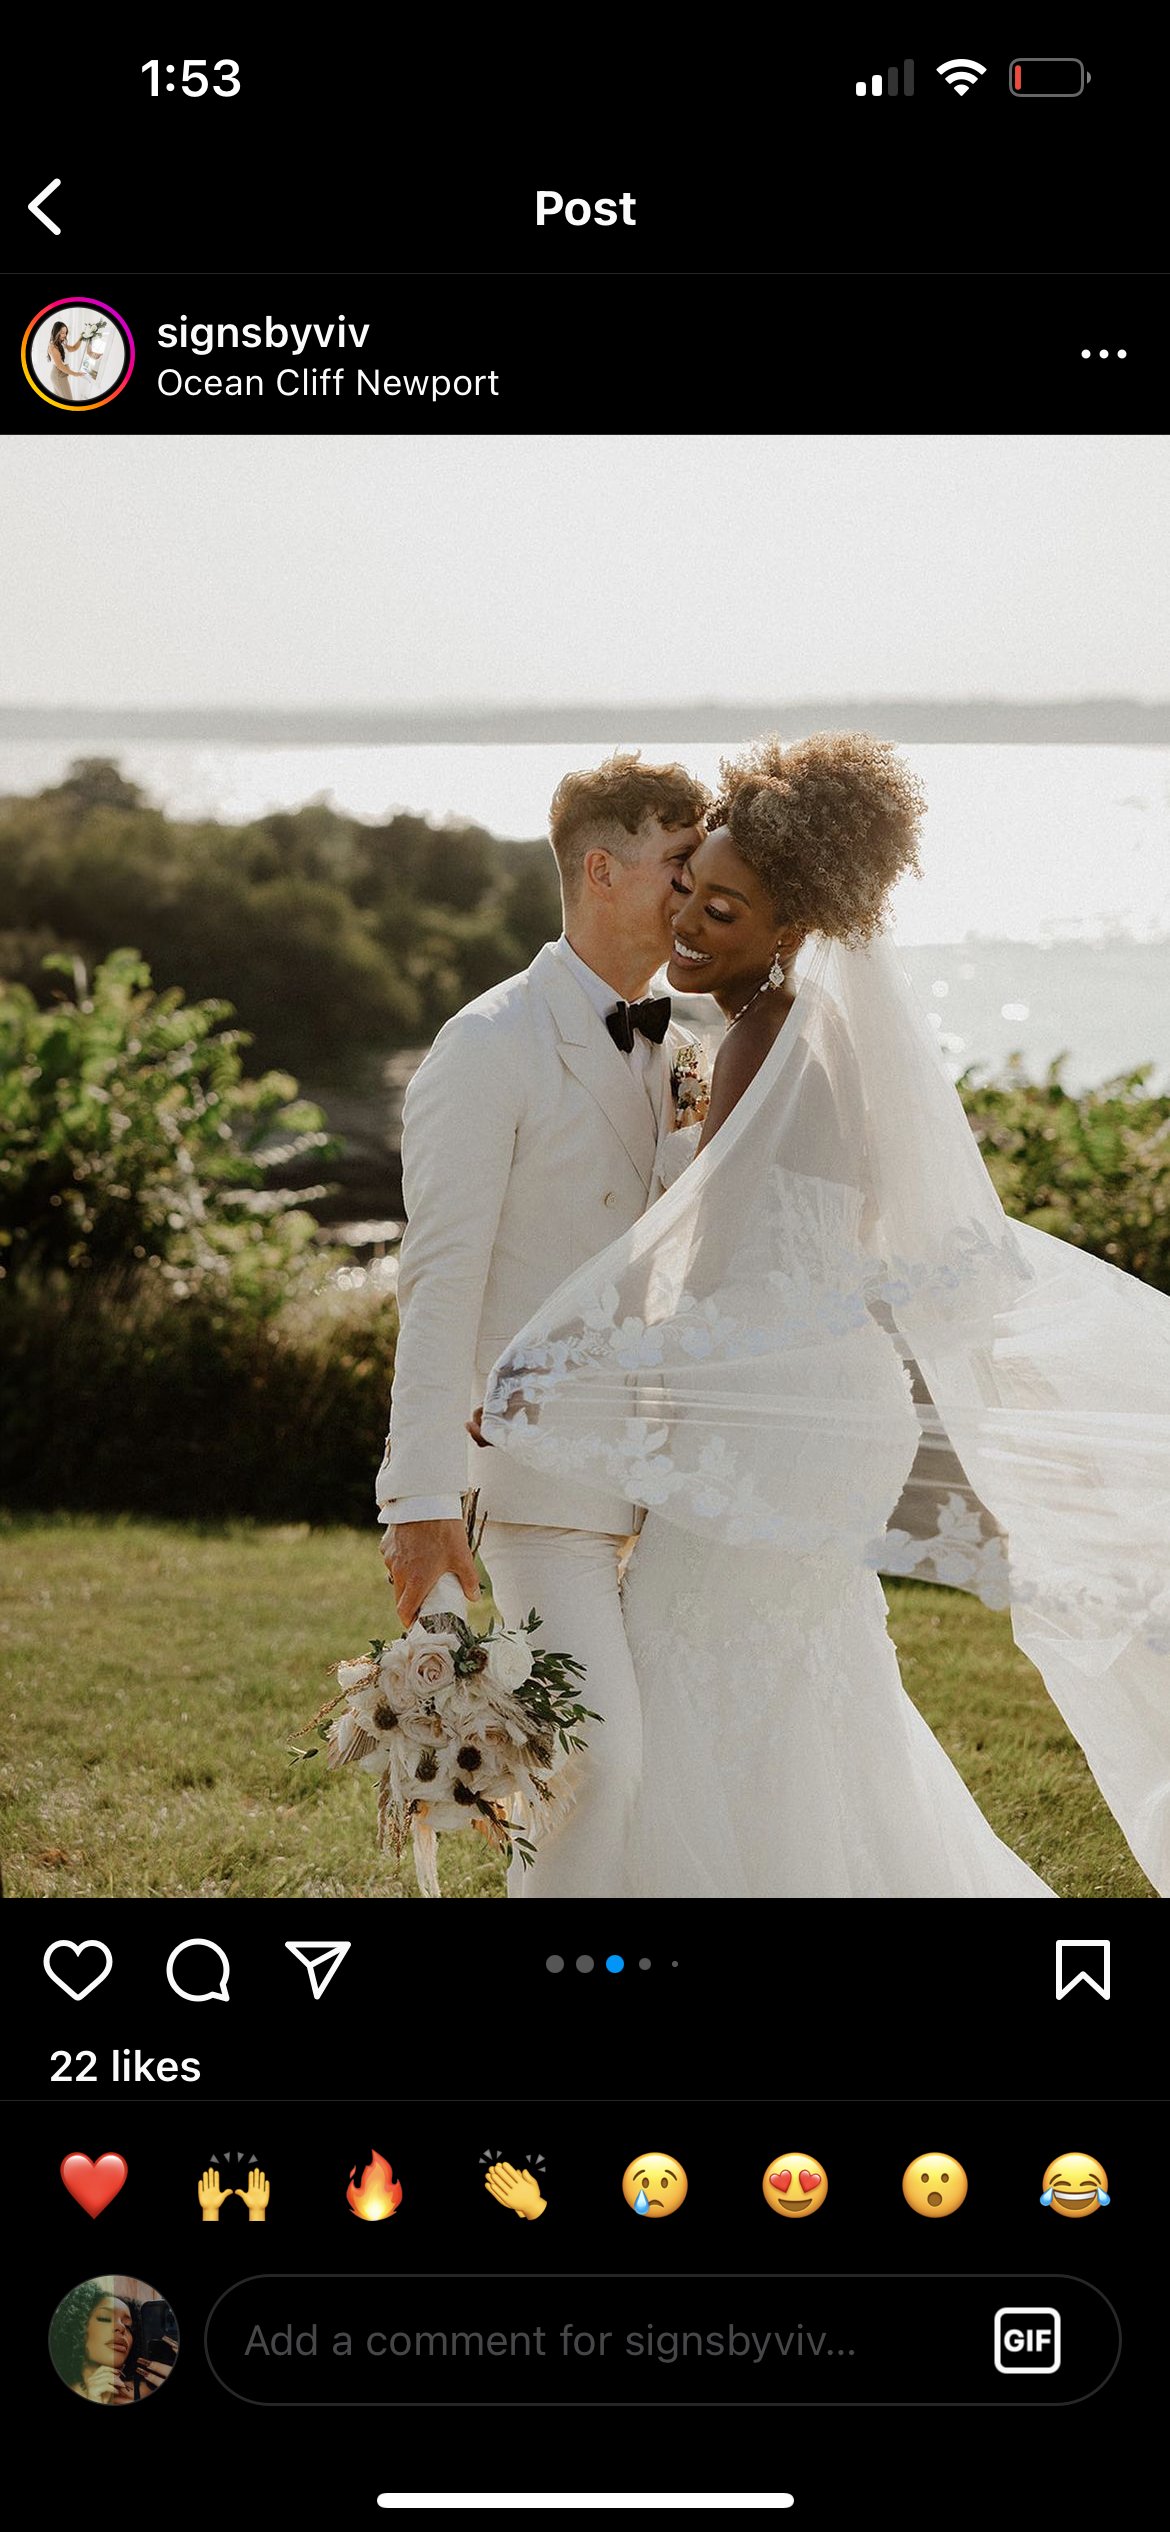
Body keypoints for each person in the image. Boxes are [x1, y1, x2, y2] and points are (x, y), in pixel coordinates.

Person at [481, 733, 1170, 1896]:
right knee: (807, 1693)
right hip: (829, 1409)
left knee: (689, 1676)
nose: (691, 923)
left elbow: (718, 1284)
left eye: (727, 912)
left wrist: (553, 1375)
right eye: (690, 888)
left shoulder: (766, 1039)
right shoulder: (819, 1035)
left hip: (779, 1417)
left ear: (794, 928)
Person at [377, 752, 711, 1896]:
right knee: (595, 1766)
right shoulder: (487, 1047)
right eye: (680, 864)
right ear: (602, 870)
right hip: (532, 1489)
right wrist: (418, 1503)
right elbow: (438, 1282)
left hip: (672, 1490)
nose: (699, 890)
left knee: (670, 1775)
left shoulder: (695, 1038)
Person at [48, 2281, 176, 2402]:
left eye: (128, 2326)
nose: (121, 2328)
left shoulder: (147, 2391)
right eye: (105, 2318)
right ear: (76, 2327)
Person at [46, 321, 88, 400]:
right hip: (58, 375)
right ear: (56, 332)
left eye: (66, 332)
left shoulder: (61, 343)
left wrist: (82, 337)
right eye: (62, 333)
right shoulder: (53, 346)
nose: (65, 335)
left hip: (60, 374)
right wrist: (75, 374)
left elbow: (74, 348)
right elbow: (60, 365)